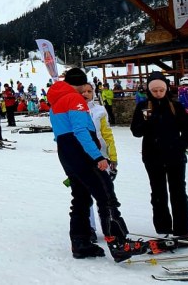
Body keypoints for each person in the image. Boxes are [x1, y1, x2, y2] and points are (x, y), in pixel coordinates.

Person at [48, 67, 145, 262]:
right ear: (82, 83)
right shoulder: (74, 99)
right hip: (81, 152)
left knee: (81, 198)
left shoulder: (55, 100)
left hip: (66, 153)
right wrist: (97, 156)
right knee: (105, 193)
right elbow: (80, 131)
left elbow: (61, 132)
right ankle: (118, 241)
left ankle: (80, 243)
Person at [130, 71, 188, 237]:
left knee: (178, 191)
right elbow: (136, 132)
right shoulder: (143, 106)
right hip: (152, 155)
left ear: (166, 89)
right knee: (158, 192)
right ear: (149, 90)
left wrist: (180, 146)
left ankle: (183, 229)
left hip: (175, 156)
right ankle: (163, 228)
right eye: (154, 90)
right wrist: (145, 122)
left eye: (161, 90)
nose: (158, 93)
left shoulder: (175, 106)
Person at [81, 82, 118, 241]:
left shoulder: (100, 111)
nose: (86, 94)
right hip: (82, 156)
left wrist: (113, 157)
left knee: (105, 192)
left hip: (101, 156)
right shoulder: (74, 110)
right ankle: (89, 227)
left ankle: (110, 224)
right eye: (83, 91)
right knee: (85, 193)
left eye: (90, 91)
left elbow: (107, 134)